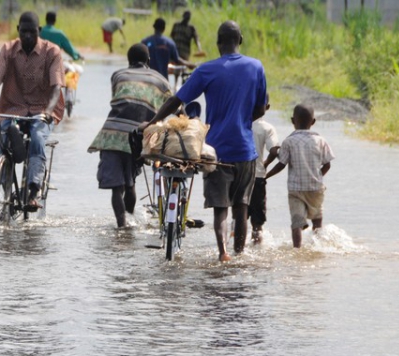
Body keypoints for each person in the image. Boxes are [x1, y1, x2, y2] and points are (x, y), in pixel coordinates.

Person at [141, 20, 267, 262]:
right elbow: (260, 108)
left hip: (215, 151)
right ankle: (240, 257)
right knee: (241, 208)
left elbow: (176, 101)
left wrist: (152, 123)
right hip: (246, 151)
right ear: (240, 40)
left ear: (218, 43)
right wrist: (242, 120)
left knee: (221, 209)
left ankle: (223, 253)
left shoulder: (207, 70)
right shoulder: (256, 67)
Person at [0, 11, 64, 211]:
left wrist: (49, 111)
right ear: (18, 30)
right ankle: (6, 184)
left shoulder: (52, 52)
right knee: (3, 145)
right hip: (12, 109)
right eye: (23, 32)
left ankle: (34, 191)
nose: (27, 36)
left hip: (40, 110)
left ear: (39, 31)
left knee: (37, 137)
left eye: (31, 32)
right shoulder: (8, 50)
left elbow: (56, 88)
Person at [88, 43, 173, 228]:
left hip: (112, 134)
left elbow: (119, 97)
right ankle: (130, 222)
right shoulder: (161, 80)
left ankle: (121, 225)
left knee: (116, 188)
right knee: (130, 182)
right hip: (138, 137)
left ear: (128, 61)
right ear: (148, 61)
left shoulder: (118, 75)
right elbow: (172, 105)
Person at [265, 104, 334, 248]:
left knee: (296, 222)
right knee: (317, 219)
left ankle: (297, 249)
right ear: (313, 122)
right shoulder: (321, 140)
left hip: (295, 190)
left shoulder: (289, 141)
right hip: (316, 188)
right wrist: (317, 176)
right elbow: (327, 164)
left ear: (292, 120)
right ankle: (318, 247)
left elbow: (281, 164)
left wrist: (266, 176)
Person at [250, 93, 280, 244]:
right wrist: (266, 163)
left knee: (239, 215)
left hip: (239, 176)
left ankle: (237, 249)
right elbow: (274, 150)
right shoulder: (267, 128)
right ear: (267, 107)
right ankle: (256, 247)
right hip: (258, 177)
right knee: (257, 223)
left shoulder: (239, 124)